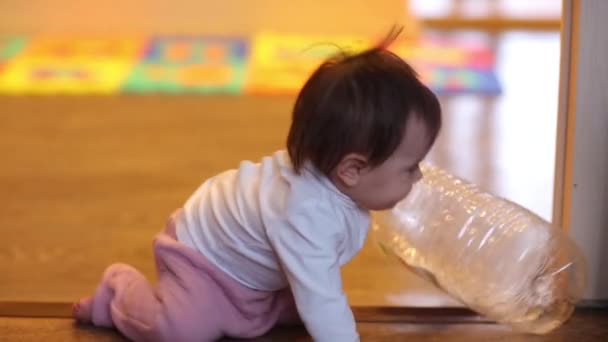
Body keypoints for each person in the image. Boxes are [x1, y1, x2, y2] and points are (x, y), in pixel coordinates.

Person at [73, 28, 442, 342]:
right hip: (201, 257)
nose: (419, 176)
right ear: (351, 170)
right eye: (410, 168)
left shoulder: (336, 185)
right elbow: (322, 298)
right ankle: (116, 292)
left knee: (300, 306)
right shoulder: (306, 211)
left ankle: (250, 304)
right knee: (182, 330)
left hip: (251, 268)